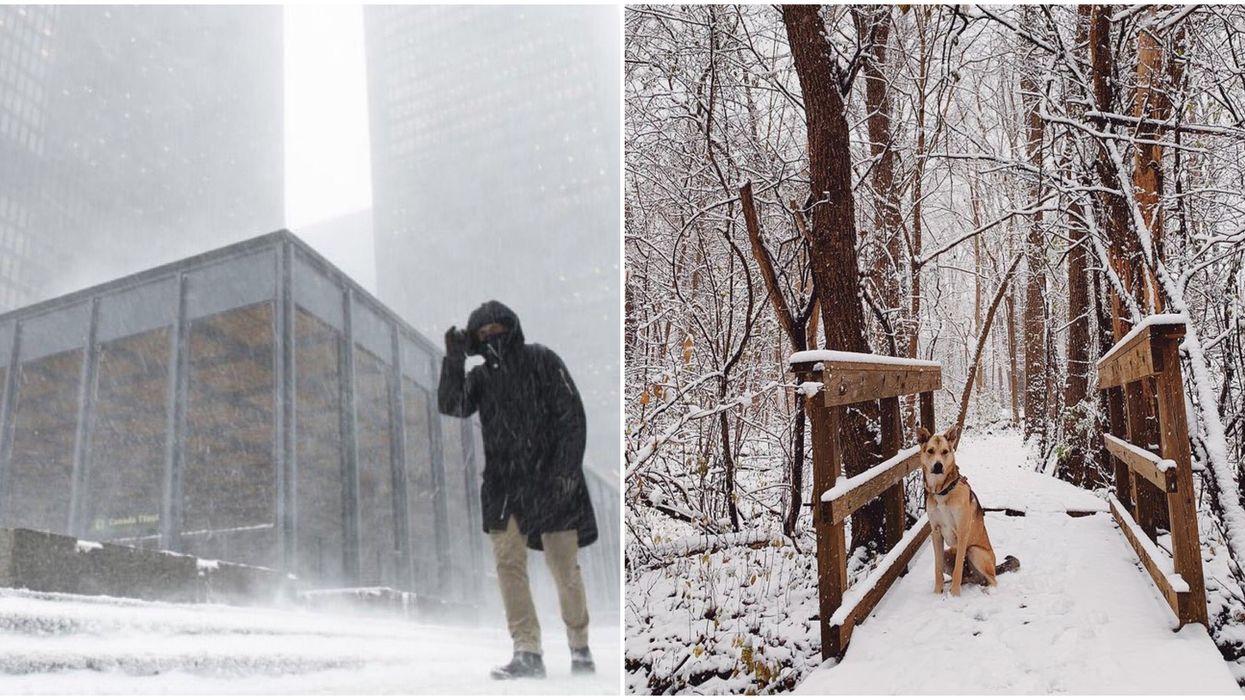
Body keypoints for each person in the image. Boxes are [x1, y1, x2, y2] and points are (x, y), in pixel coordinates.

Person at [438, 300, 598, 680]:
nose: (492, 337)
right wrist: (454, 361)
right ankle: (527, 651)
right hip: (503, 485)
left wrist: (565, 472)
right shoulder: (479, 378)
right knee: (508, 565)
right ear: (475, 339)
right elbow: (452, 404)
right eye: (483, 333)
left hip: (551, 481)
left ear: (511, 328)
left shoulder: (542, 360)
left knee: (564, 568)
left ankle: (580, 645)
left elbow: (572, 416)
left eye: (498, 329)